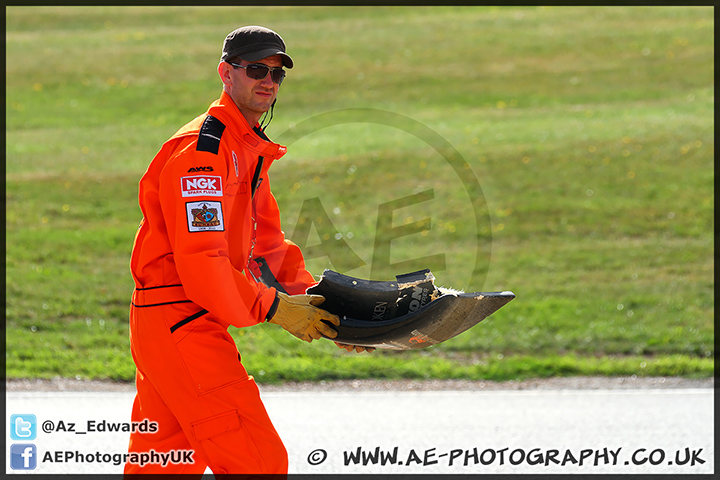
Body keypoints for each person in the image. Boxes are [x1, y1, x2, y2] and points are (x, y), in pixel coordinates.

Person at [124, 25, 371, 476]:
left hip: (176, 322)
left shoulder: (245, 147)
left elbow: (269, 248)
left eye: (277, 74)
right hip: (179, 321)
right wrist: (277, 309)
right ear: (225, 73)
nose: (268, 82)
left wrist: (328, 308)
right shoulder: (203, 154)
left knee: (163, 466)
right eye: (256, 69)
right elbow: (202, 264)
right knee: (257, 462)